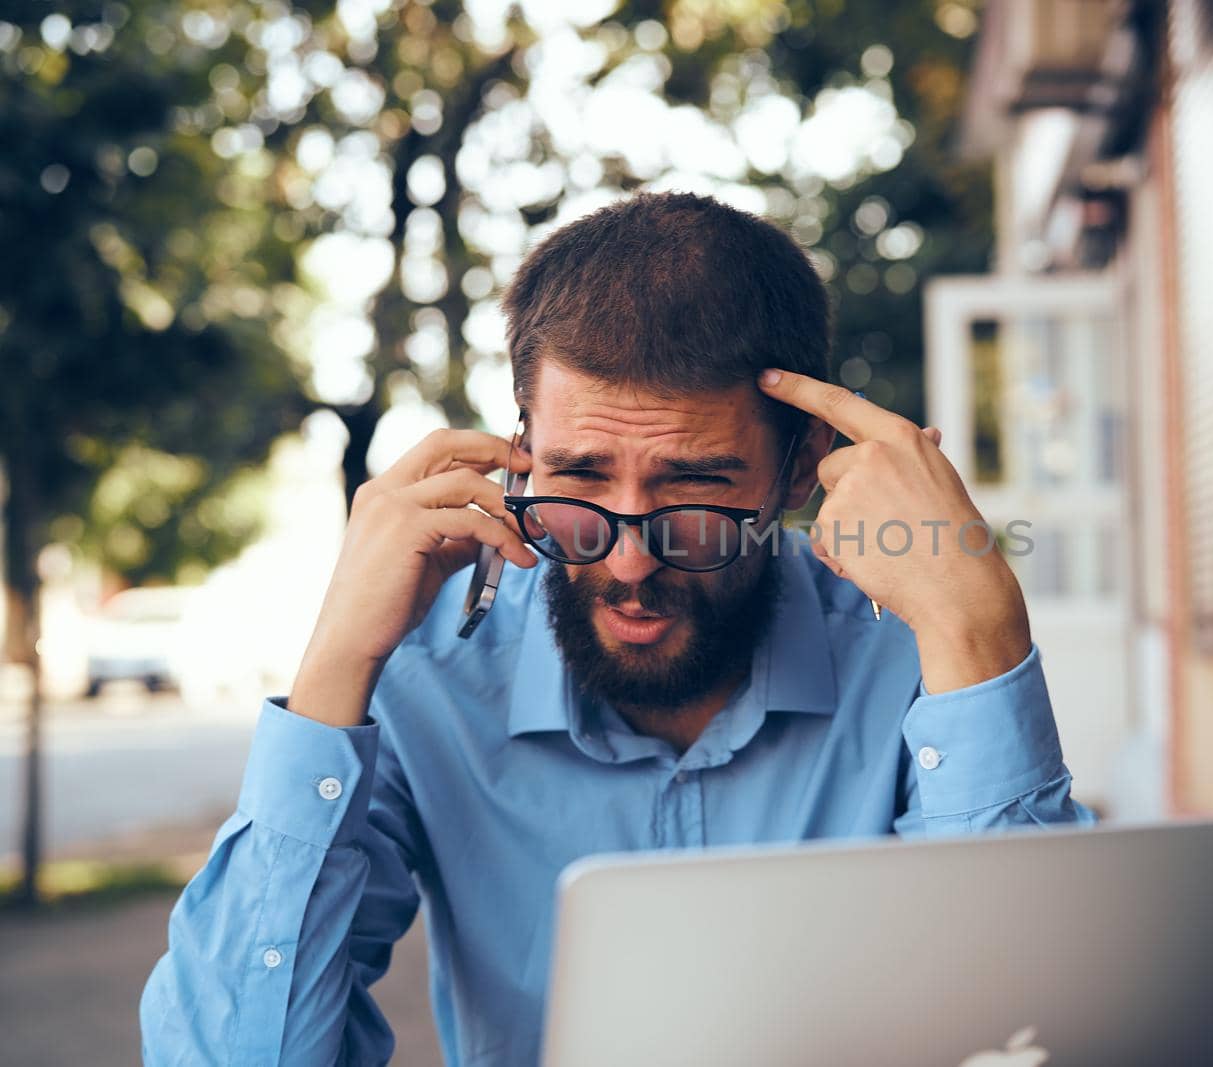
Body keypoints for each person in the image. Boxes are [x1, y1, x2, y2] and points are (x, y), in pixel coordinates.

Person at [139, 192, 1092, 1065]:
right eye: (581, 479)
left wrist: (980, 635)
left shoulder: (919, 658)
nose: (628, 563)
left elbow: (1039, 1023)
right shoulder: (425, 672)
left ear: (799, 470)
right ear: (520, 451)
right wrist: (335, 662)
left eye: (694, 491)